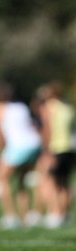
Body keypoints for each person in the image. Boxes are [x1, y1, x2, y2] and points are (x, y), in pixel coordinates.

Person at [0, 82, 42, 229]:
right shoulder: (21, 107)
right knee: (21, 181)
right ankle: (25, 217)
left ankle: (10, 216)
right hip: (34, 144)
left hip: (18, 146)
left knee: (2, 179)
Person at [36, 82, 75, 228]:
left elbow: (47, 130)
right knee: (65, 183)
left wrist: (46, 151)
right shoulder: (68, 108)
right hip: (70, 149)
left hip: (55, 148)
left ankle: (56, 213)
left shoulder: (47, 108)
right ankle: (64, 213)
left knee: (52, 183)